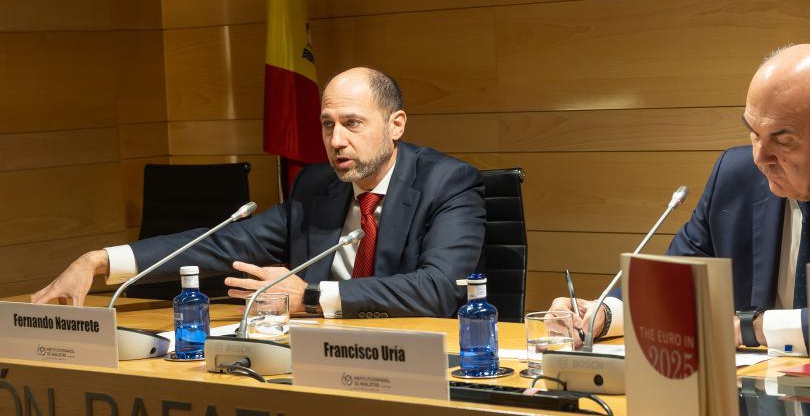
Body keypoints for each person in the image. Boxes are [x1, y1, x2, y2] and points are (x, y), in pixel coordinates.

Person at [553, 44, 810, 354]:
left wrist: (752, 328)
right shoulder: (734, 178)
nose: (759, 159)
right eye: (753, 133)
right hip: (758, 402)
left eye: (782, 141)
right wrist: (602, 315)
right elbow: (673, 287)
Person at [31, 67, 486, 319]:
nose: (336, 140)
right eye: (327, 125)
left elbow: (438, 290)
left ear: (396, 124)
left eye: (352, 123)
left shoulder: (448, 182)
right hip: (319, 355)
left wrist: (311, 297)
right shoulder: (317, 186)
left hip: (417, 357)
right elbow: (222, 243)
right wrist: (99, 260)